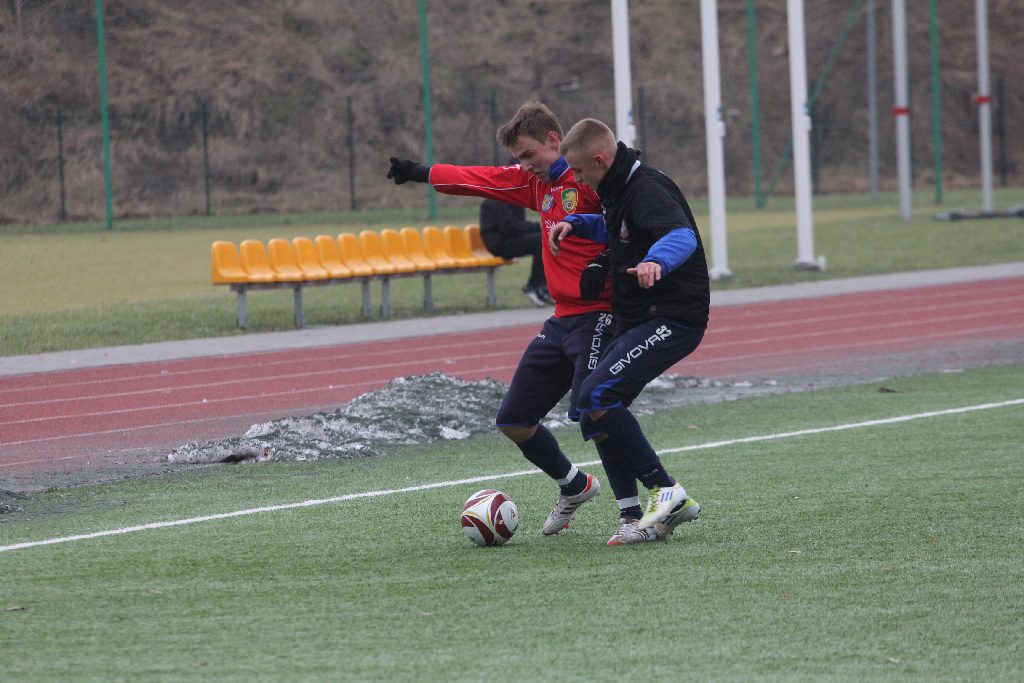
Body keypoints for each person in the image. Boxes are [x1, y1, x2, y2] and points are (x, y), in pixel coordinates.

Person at [387, 102, 627, 538]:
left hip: (601, 316)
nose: (524, 166)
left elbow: (629, 224)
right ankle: (574, 485)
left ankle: (648, 502)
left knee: (596, 413)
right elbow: (480, 178)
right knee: (514, 420)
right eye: (519, 158)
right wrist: (420, 172)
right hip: (562, 320)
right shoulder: (536, 184)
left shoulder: (589, 179)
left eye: (529, 155)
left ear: (554, 141)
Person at [550, 117, 709, 541]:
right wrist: (579, 224)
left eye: (581, 171)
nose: (577, 179)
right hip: (639, 316)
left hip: (673, 317)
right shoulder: (616, 188)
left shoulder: (647, 188)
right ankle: (637, 517)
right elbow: (621, 229)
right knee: (594, 405)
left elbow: (681, 235)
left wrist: (657, 260)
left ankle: (666, 491)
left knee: (599, 394)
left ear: (600, 159)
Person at [478, 196, 553, 307]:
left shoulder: (514, 198)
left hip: (509, 239)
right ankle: (535, 285)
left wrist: (539, 228)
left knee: (544, 239)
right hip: (498, 244)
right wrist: (537, 226)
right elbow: (510, 228)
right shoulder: (495, 200)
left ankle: (542, 285)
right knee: (540, 241)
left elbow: (518, 225)